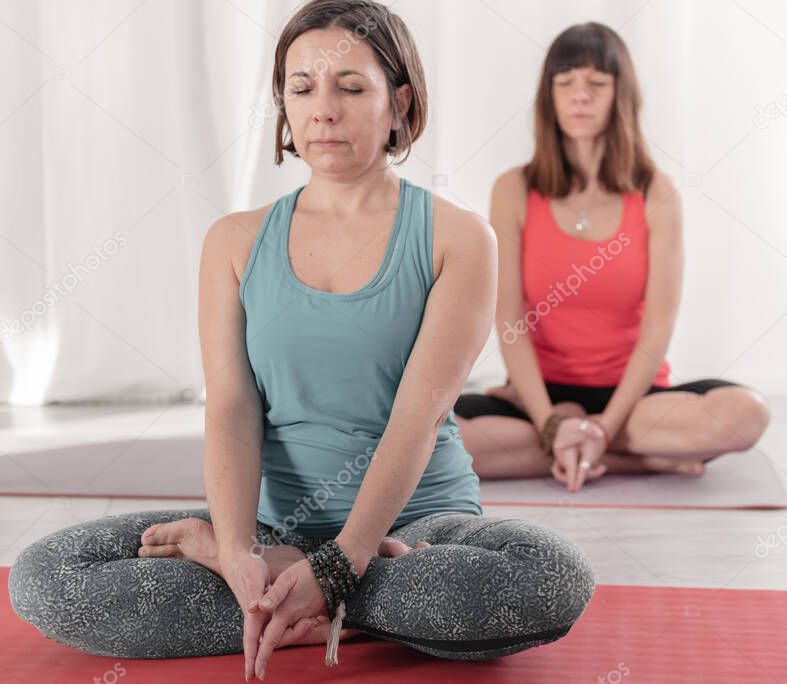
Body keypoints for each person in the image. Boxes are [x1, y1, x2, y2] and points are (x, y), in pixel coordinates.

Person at [7, 1, 595, 680]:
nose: (323, 110)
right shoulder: (233, 241)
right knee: (49, 577)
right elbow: (230, 407)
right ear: (283, 104)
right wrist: (233, 551)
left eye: (350, 87)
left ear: (398, 101)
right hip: (268, 532)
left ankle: (313, 591)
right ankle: (305, 593)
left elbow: (421, 413)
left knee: (547, 576)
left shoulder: (459, 238)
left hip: (421, 536)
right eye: (301, 88)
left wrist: (344, 560)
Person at [453, 22, 771, 494]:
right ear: (549, 98)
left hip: (635, 401)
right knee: (436, 436)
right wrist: (549, 422)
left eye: (597, 83)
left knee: (747, 415)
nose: (580, 96)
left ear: (621, 96)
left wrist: (602, 426)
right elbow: (509, 320)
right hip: (537, 397)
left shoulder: (655, 191)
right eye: (566, 83)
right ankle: (641, 458)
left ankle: (590, 444)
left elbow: (659, 325)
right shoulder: (514, 189)